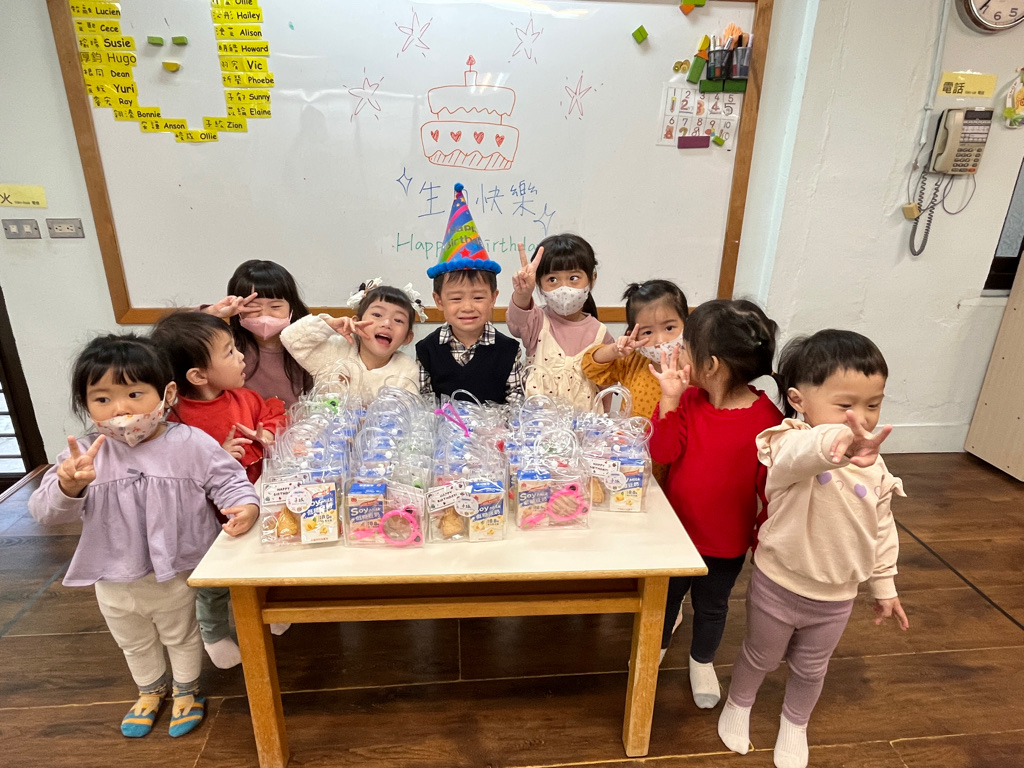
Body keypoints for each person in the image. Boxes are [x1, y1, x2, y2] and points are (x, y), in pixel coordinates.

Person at [28, 334, 259, 738]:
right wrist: (69, 486)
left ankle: (187, 689)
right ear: (86, 405)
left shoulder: (190, 442)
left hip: (175, 569)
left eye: (134, 394)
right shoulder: (84, 455)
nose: (120, 409)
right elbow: (46, 514)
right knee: (131, 639)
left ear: (166, 394)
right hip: (111, 573)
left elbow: (230, 481)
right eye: (102, 399)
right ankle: (150, 690)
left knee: (181, 633)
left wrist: (245, 506)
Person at [717, 330, 909, 768]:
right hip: (778, 585)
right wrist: (835, 444)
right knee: (759, 655)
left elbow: (881, 527)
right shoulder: (788, 442)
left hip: (836, 596)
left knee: (811, 668)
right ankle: (739, 703)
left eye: (873, 405)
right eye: (845, 406)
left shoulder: (874, 465)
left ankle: (795, 722)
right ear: (798, 400)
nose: (861, 419)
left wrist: (885, 585)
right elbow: (802, 454)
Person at [648, 299, 783, 710]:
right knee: (666, 601)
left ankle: (702, 660)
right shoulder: (688, 400)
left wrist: (762, 543)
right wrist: (669, 399)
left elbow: (771, 492)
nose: (677, 352)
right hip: (675, 536)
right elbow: (662, 452)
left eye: (686, 347)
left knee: (712, 607)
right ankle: (656, 646)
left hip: (726, 544)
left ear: (711, 365)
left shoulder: (768, 421)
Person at [151, 311, 287, 669]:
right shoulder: (176, 419)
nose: (241, 357)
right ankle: (213, 633)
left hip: (254, 501)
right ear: (198, 375)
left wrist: (267, 431)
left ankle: (266, 607)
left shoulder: (244, 397)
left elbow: (273, 412)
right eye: (229, 352)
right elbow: (170, 472)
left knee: (262, 557)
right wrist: (217, 458)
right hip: (208, 519)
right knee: (214, 582)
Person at [417, 183, 524, 407]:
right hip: (443, 430)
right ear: (439, 301)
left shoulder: (508, 350)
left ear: (493, 298)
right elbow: (424, 404)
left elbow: (516, 402)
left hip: (495, 430)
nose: (467, 306)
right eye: (456, 298)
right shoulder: (427, 350)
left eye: (478, 297)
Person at [506, 234, 613, 409]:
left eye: (573, 278)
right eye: (552, 279)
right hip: (539, 423)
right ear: (539, 284)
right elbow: (516, 321)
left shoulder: (600, 334)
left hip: (585, 424)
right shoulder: (537, 321)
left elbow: (606, 387)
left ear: (592, 279)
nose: (564, 288)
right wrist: (523, 293)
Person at [281, 280, 423, 404]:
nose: (387, 323)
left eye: (398, 320)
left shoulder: (406, 369)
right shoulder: (336, 350)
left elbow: (408, 414)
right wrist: (328, 324)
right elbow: (290, 338)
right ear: (357, 322)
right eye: (377, 314)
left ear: (407, 337)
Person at [204, 259, 312, 408]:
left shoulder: (307, 345)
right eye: (253, 307)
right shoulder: (228, 345)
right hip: (243, 420)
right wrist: (212, 313)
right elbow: (179, 336)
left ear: (292, 308)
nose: (264, 314)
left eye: (275, 306)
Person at [581, 279, 688, 420]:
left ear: (687, 324)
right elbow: (590, 367)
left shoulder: (696, 368)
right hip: (632, 434)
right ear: (634, 335)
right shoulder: (632, 362)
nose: (660, 340)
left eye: (669, 328)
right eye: (648, 332)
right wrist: (614, 350)